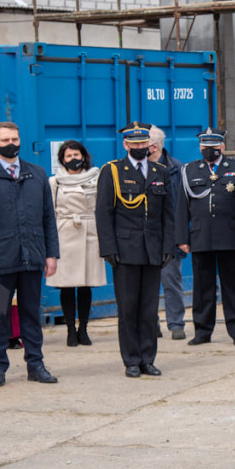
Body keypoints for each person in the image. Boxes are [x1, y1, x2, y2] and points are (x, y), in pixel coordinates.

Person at [0, 121, 60, 388]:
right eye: (5, 139)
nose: (12, 143)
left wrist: (51, 254)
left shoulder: (37, 174)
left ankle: (36, 364)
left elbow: (48, 218)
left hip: (31, 258)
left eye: (15, 138)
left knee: (31, 314)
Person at [96, 121, 174, 378]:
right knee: (128, 308)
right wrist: (108, 247)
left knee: (149, 308)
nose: (140, 147)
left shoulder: (159, 171)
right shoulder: (113, 171)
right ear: (125, 144)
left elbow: (168, 214)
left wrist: (168, 246)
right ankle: (131, 359)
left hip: (152, 250)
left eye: (144, 143)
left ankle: (147, 358)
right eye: (135, 143)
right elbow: (104, 213)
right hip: (125, 250)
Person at [177, 128, 235, 347]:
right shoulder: (189, 170)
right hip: (201, 237)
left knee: (234, 286)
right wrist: (182, 237)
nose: (210, 150)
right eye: (206, 147)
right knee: (202, 287)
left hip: (230, 235)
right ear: (200, 148)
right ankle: (202, 330)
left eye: (214, 147)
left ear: (222, 147)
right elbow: (182, 207)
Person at [45, 140, 105, 347]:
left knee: (86, 285)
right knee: (67, 286)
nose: (73, 159)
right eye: (68, 156)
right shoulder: (55, 182)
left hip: (89, 231)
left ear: (84, 156)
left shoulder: (97, 178)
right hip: (64, 233)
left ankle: (84, 329)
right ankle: (70, 329)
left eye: (76, 155)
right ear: (62, 159)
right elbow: (49, 212)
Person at [148, 125, 187, 341]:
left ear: (153, 146)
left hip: (169, 237)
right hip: (145, 237)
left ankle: (176, 324)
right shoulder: (137, 168)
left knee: (171, 281)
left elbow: (183, 206)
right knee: (147, 285)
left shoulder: (177, 169)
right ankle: (151, 324)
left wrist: (182, 236)